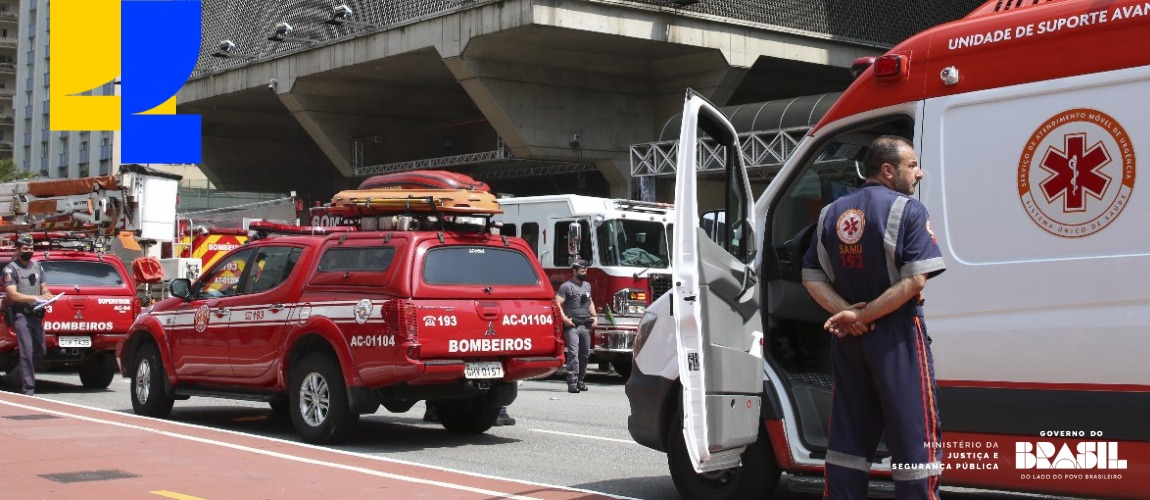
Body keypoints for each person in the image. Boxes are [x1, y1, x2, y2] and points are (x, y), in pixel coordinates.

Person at [801, 136, 947, 500]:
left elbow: (811, 277)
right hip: (898, 336)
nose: (919, 173)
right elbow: (915, 280)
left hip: (850, 341)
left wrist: (848, 315)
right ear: (887, 170)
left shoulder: (830, 213)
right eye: (912, 165)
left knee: (848, 435)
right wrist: (863, 314)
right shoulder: (909, 210)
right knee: (913, 434)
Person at [2, 234, 55, 396]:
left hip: (36, 315)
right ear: (18, 250)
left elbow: (43, 287)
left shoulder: (37, 266)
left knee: (40, 351)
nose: (28, 251)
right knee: (26, 352)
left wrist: (48, 295)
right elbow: (13, 295)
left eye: (31, 248)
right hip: (21, 315)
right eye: (25, 248)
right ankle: (28, 389)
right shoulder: (10, 269)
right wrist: (36, 298)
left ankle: (12, 379)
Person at [555, 259, 596, 394]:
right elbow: (557, 303)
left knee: (585, 354)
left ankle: (580, 380)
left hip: (585, 325)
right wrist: (564, 319)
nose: (585, 272)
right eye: (582, 270)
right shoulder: (566, 286)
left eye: (585, 270)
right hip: (572, 325)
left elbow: (590, 302)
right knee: (573, 353)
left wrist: (595, 316)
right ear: (574, 271)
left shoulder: (587, 286)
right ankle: (572, 383)